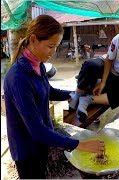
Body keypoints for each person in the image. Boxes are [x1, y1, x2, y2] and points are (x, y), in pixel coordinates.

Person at [3, 15, 105, 179]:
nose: (54, 52)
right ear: (34, 39)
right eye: (51, 46)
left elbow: (47, 90)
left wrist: (73, 95)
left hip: (42, 141)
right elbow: (37, 131)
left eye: (56, 46)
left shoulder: (37, 64)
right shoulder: (18, 78)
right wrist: (79, 145)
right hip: (27, 149)